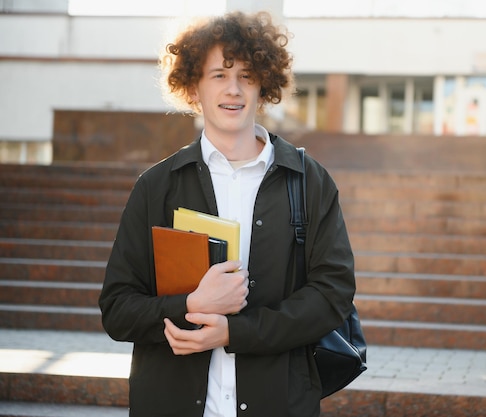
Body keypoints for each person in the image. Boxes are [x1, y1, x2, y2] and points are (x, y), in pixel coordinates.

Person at [98, 10, 356, 417]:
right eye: (218, 75)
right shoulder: (157, 186)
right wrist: (190, 305)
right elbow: (117, 309)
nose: (233, 89)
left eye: (246, 76)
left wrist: (234, 332)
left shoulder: (309, 181)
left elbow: (332, 296)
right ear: (193, 86)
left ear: (263, 85)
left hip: (279, 404)